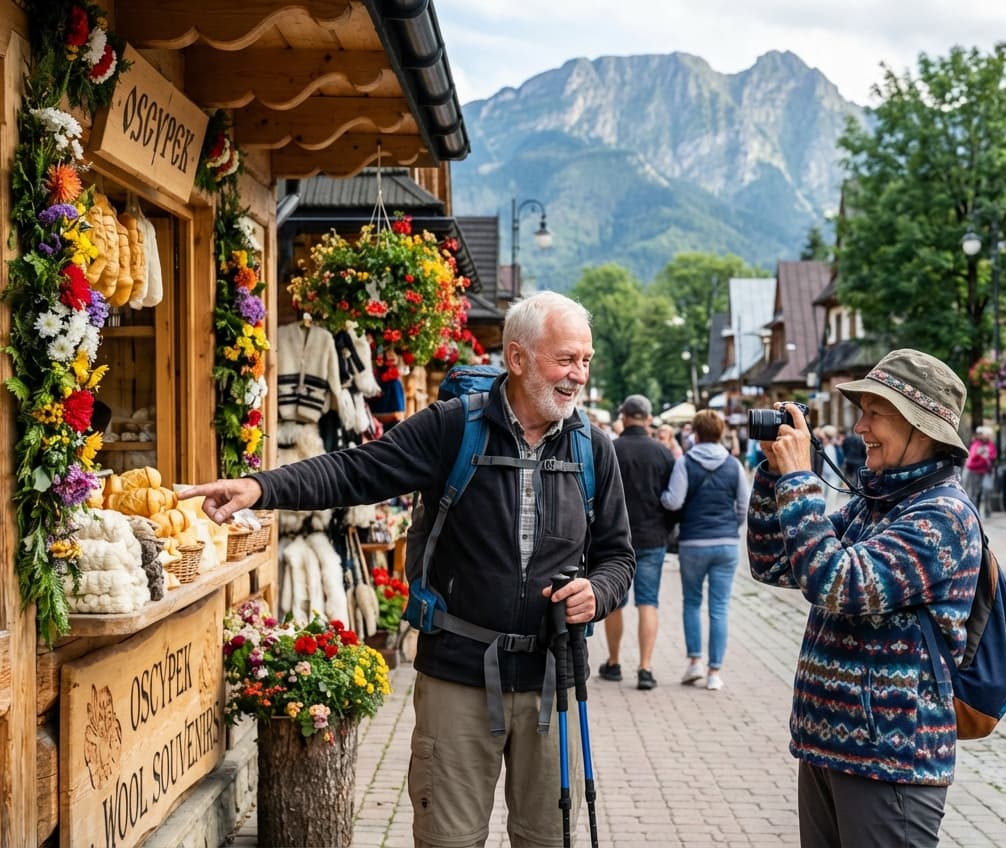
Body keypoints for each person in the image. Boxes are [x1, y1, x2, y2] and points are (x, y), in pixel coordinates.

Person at [181, 291, 635, 848]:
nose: (578, 375)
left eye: (585, 361)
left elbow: (619, 556)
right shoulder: (453, 428)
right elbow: (358, 470)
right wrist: (261, 487)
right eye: (565, 359)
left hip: (553, 680)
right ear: (517, 358)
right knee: (448, 839)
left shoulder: (594, 449)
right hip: (458, 678)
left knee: (547, 839)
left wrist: (600, 591)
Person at [746, 348, 983, 848]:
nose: (860, 428)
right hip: (829, 745)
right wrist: (773, 475)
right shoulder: (872, 505)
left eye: (875, 414)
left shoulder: (943, 517)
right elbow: (775, 562)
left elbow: (837, 582)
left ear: (924, 428)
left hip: (890, 761)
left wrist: (798, 480)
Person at [661, 409, 750, 691]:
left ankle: (695, 663)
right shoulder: (734, 465)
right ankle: (715, 672)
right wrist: (729, 526)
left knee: (691, 602)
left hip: (693, 542)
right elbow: (743, 507)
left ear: (695, 434)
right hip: (726, 543)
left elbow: (674, 502)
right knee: (720, 607)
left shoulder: (685, 462)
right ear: (721, 432)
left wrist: (661, 497)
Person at [597, 394, 677, 690]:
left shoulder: (610, 449)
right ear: (648, 417)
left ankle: (614, 662)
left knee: (614, 601)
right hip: (653, 536)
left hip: (615, 538)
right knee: (649, 602)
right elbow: (673, 501)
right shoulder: (663, 453)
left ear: (625, 415)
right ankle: (645, 668)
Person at [963, 425, 997, 517]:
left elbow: (993, 456)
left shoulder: (990, 445)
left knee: (986, 490)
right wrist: (981, 455)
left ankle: (986, 510)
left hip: (986, 471)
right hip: (974, 471)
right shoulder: (975, 444)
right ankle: (974, 512)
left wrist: (987, 457)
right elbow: (972, 457)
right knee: (974, 493)